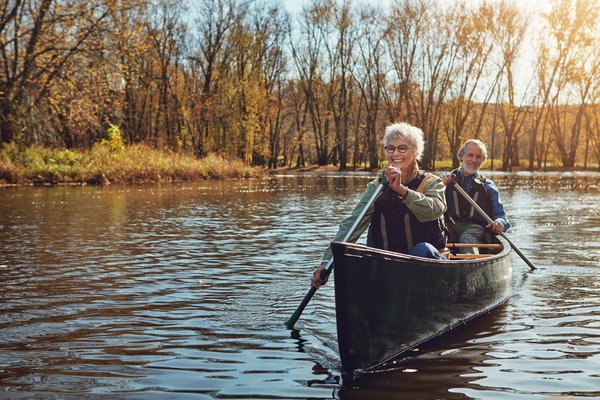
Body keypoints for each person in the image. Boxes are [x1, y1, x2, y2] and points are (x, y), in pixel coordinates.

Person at [311, 122, 447, 289]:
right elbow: (353, 224)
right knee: (352, 253)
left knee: (422, 249)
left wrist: (402, 191)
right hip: (386, 265)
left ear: (415, 152)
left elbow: (435, 209)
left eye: (402, 148)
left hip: (422, 264)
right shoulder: (376, 187)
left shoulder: (432, 182)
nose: (395, 153)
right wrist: (326, 262)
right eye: (390, 148)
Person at [441, 139, 510, 254]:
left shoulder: (488, 186)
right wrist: (440, 185)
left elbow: (501, 216)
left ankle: (469, 264)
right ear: (461, 157)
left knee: (467, 239)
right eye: (470, 155)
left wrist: (499, 223)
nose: (474, 160)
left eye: (478, 157)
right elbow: (431, 203)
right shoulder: (446, 180)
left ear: (482, 160)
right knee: (439, 237)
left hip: (475, 228)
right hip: (450, 226)